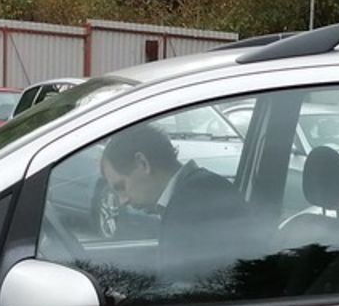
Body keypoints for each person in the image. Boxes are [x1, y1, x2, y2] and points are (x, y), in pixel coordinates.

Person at [98, 123, 255, 290]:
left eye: (121, 186)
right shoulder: (198, 190)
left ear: (142, 163)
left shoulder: (193, 204)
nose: (123, 200)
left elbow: (181, 290)